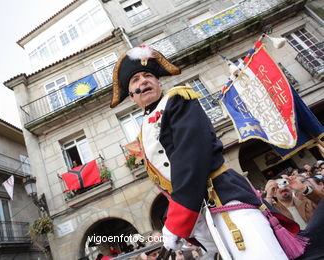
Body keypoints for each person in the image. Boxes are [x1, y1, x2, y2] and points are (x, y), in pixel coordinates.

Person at [109, 46, 304, 259]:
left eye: (148, 76)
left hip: (224, 197)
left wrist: (176, 222)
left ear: (158, 83)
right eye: (135, 79)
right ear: (131, 96)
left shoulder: (177, 99)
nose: (143, 81)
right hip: (203, 213)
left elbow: (190, 157)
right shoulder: (144, 128)